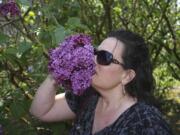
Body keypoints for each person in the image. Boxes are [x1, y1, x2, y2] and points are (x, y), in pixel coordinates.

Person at [30, 29, 173, 135]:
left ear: (127, 76)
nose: (92, 60)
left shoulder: (146, 124)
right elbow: (40, 112)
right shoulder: (87, 97)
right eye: (94, 52)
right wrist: (56, 74)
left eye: (104, 57)